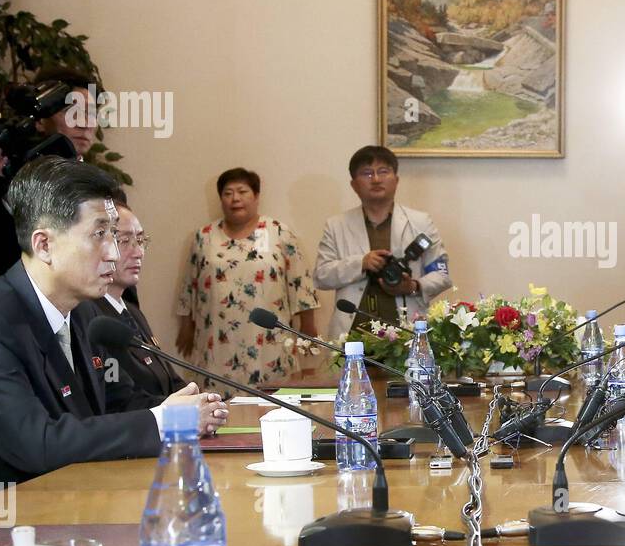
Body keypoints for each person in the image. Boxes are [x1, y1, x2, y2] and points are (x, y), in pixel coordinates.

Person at [0, 158, 226, 489]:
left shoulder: (83, 312)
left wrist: (189, 410)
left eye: (113, 235)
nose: (114, 255)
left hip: (59, 502)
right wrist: (166, 421)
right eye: (100, 235)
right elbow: (38, 444)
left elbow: (116, 405)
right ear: (44, 245)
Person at [175, 168, 320, 390]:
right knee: (217, 409)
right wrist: (185, 326)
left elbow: (300, 280)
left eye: (242, 191)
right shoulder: (203, 236)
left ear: (256, 196)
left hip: (269, 341)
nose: (235, 199)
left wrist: (308, 326)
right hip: (216, 340)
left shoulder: (278, 232)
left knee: (270, 407)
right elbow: (189, 284)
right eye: (228, 193)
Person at [315, 146, 452, 338]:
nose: (376, 179)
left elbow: (441, 274)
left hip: (407, 334)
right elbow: (321, 276)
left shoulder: (420, 222)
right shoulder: (336, 225)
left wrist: (412, 286)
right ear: (354, 184)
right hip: (353, 336)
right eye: (367, 173)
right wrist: (360, 263)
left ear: (396, 180)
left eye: (383, 172)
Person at [0, 66, 101, 276]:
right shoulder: (15, 177)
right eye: (73, 111)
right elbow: (7, 259)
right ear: (41, 119)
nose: (85, 123)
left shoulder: (102, 187)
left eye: (91, 113)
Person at [85, 197, 186, 396]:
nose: (138, 252)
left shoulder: (131, 311)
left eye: (140, 240)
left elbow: (169, 378)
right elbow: (119, 399)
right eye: (123, 241)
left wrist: (205, 400)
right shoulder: (92, 318)